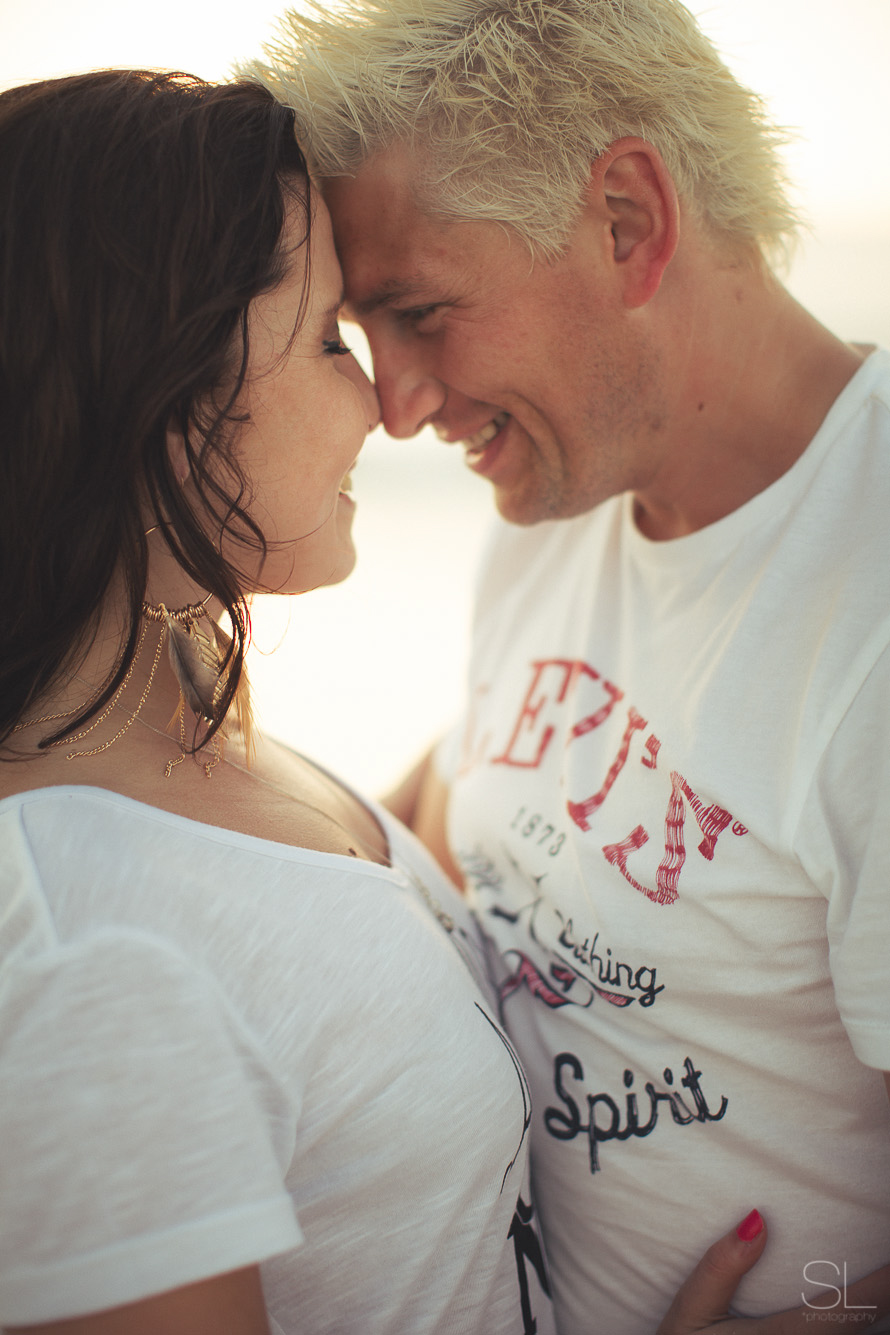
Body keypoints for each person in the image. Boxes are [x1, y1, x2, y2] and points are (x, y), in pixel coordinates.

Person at [0, 64, 774, 1335]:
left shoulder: (188, 720)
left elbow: (394, 881)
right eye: (325, 337)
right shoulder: (80, 962)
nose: (384, 404)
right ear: (157, 401)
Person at [243, 1, 890, 1331]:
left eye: (418, 313)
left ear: (626, 220)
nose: (398, 403)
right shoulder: (564, 498)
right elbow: (479, 786)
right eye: (362, 334)